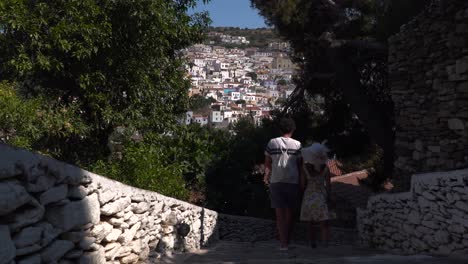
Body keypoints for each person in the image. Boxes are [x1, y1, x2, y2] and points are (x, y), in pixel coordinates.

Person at [263, 117, 302, 251]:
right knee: (290, 213)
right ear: (293, 129)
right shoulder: (297, 145)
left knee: (279, 214)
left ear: (280, 129)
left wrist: (266, 177)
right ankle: (287, 241)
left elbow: (267, 163)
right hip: (292, 181)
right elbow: (300, 165)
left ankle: (283, 243)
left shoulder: (272, 143)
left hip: (276, 181)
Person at [300, 142, 334, 248]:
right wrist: (329, 197)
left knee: (310, 222)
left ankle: (312, 242)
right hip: (321, 196)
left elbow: (302, 185)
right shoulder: (326, 169)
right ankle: (325, 243)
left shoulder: (305, 168)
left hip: (309, 196)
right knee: (324, 221)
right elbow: (328, 185)